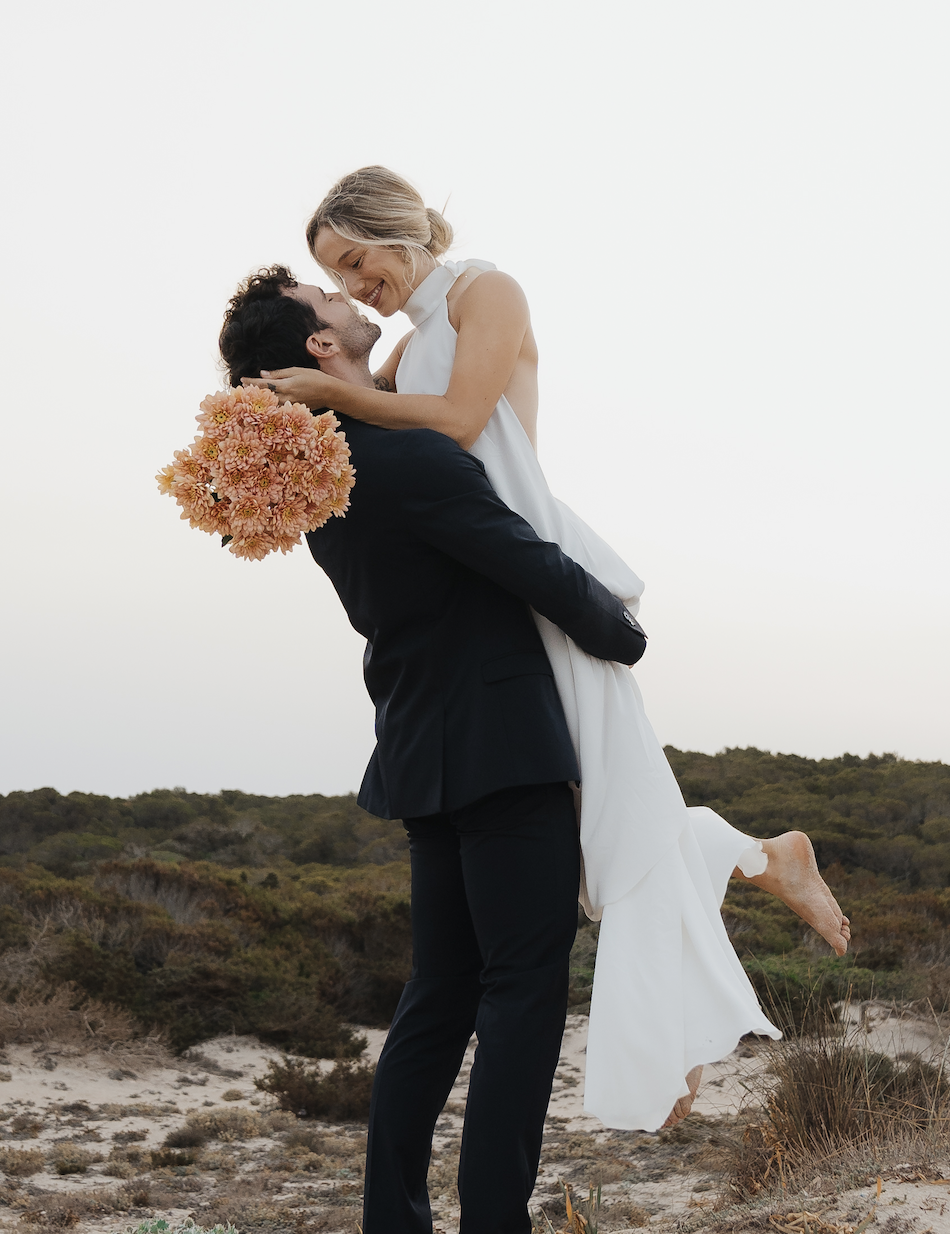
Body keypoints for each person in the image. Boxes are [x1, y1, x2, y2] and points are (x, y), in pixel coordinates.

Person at [249, 167, 852, 1133]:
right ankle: (753, 867)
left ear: (396, 232)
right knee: (595, 832)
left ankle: (683, 1035)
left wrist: (332, 392)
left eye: (356, 261)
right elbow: (409, 462)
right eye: (338, 278)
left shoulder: (487, 290)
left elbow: (456, 427)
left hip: (535, 559)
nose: (358, 285)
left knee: (611, 814)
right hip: (495, 586)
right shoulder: (396, 358)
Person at [217, 265, 630, 1234]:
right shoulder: (401, 458)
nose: (349, 301)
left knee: (437, 998)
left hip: (416, 746)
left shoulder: (325, 485)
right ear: (318, 348)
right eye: (329, 301)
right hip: (498, 746)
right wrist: (617, 630)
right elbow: (519, 557)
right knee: (521, 991)